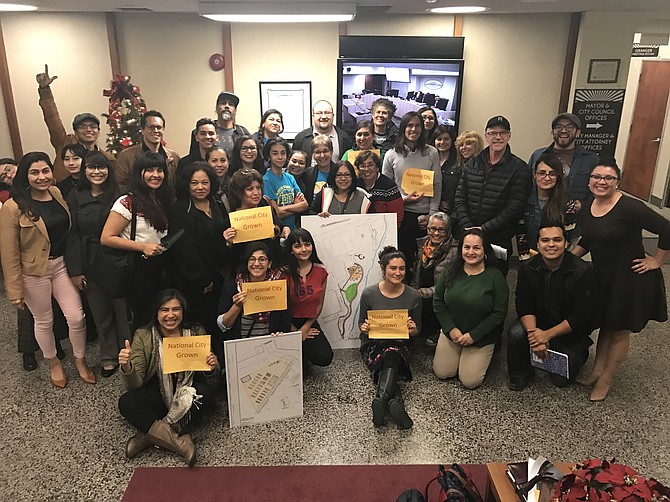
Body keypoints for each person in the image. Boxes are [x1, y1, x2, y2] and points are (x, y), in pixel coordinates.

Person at [572, 159, 670, 401]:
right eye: (597, 177)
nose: (601, 182)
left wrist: (657, 260)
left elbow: (666, 228)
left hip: (630, 279)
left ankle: (606, 379)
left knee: (619, 332)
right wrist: (567, 259)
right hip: (603, 277)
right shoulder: (588, 206)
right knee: (606, 324)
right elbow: (588, 239)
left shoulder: (629, 207)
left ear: (618, 182)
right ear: (589, 180)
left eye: (608, 178)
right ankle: (597, 369)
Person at [0, 152, 95, 387]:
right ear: (25, 175)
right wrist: (14, 289)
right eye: (35, 172)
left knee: (76, 316)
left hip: (61, 265)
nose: (41, 177)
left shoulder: (55, 193)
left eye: (45, 171)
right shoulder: (13, 207)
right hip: (33, 272)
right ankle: (53, 362)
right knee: (44, 321)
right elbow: (8, 251)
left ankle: (80, 359)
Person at [118, 289, 219, 465]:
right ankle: (179, 442)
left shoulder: (196, 331)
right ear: (156, 313)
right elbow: (134, 385)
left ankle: (149, 437)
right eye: (164, 310)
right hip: (156, 390)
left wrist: (211, 366)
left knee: (205, 397)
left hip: (188, 390)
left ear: (183, 311)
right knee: (127, 402)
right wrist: (127, 367)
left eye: (176, 309)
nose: (170, 315)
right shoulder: (144, 335)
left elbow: (211, 374)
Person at [508, 222, 597, 390]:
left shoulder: (583, 271)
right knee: (515, 333)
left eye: (557, 240)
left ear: (566, 243)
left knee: (560, 381)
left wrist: (547, 336)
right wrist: (535, 337)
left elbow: (582, 316)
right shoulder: (527, 268)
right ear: (538, 245)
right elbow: (523, 305)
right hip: (537, 324)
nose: (551, 245)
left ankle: (577, 353)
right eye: (545, 240)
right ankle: (520, 372)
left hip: (568, 329)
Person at [65, 151, 128, 377]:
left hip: (118, 258)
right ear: (85, 171)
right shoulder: (76, 195)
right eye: (92, 167)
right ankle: (109, 356)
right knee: (101, 312)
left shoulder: (119, 194)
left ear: (108, 170)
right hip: (89, 259)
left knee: (122, 310)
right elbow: (72, 235)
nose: (97, 172)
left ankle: (127, 353)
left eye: (102, 167)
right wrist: (75, 270)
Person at [101, 152, 172, 330]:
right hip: (137, 269)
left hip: (158, 267)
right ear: (139, 173)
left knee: (159, 317)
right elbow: (106, 237)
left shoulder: (159, 199)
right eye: (149, 170)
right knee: (143, 320)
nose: (156, 175)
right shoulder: (127, 202)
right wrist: (142, 247)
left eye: (160, 170)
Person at [454, 116, 531, 276]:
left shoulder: (519, 168)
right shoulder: (472, 164)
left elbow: (515, 208)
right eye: (493, 133)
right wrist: (469, 228)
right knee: (466, 280)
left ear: (509, 136)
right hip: (469, 237)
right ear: (486, 136)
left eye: (503, 133)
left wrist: (483, 230)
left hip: (498, 238)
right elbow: (460, 197)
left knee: (495, 283)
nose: (498, 137)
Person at [433, 228, 508, 389]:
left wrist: (474, 335)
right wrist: (450, 329)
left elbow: (499, 313)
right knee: (443, 373)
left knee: (470, 381)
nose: (471, 252)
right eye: (467, 247)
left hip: (480, 338)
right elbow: (438, 301)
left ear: (485, 250)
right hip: (452, 333)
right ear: (461, 249)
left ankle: (489, 351)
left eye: (476, 248)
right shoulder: (450, 270)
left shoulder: (495, 276)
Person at [168, 163, 228, 360]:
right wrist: (204, 280)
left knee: (216, 322)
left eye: (204, 182)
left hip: (217, 274)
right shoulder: (179, 210)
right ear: (187, 184)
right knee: (198, 323)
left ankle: (216, 364)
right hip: (194, 281)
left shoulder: (217, 204)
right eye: (194, 183)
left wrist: (228, 239)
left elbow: (223, 233)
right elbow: (185, 251)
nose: (200, 187)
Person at [359, 246, 421, 429]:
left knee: (393, 353)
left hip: (401, 342)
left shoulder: (413, 295)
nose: (398, 272)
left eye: (402, 268)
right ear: (384, 269)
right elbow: (361, 325)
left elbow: (418, 329)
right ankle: (394, 403)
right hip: (374, 343)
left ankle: (382, 399)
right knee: (389, 355)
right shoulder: (369, 293)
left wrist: (413, 329)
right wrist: (364, 327)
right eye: (393, 268)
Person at [382, 112, 442, 280]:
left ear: (422, 129)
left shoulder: (432, 153)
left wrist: (432, 214)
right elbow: (386, 189)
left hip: (425, 215)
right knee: (404, 259)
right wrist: (403, 199)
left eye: (417, 125)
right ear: (403, 128)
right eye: (409, 125)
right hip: (400, 214)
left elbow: (437, 184)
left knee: (427, 262)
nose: (413, 129)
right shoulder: (391, 154)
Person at [35, 64, 115, 181]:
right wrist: (45, 91)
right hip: (65, 195)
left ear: (98, 131)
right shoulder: (65, 144)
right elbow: (52, 119)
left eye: (93, 126)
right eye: (83, 126)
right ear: (76, 132)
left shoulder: (108, 159)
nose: (88, 130)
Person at [528, 113, 599, 218]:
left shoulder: (591, 159)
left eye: (569, 126)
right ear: (552, 132)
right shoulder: (538, 155)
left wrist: (584, 205)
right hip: (540, 216)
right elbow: (528, 184)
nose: (564, 130)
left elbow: (598, 188)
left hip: (577, 219)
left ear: (578, 132)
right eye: (559, 126)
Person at [281, 229, 333, 372]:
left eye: (307, 244)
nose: (304, 249)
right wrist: (294, 332)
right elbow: (278, 309)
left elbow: (319, 304)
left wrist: (305, 328)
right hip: (286, 323)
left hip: (308, 321)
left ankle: (302, 354)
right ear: (291, 250)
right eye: (297, 246)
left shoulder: (321, 271)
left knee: (324, 357)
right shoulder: (282, 273)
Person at [217, 242, 291, 340]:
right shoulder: (232, 286)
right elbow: (223, 326)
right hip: (241, 347)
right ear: (246, 262)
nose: (256, 264)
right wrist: (237, 306)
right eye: (252, 259)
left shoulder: (279, 287)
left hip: (271, 345)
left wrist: (280, 335)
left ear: (269, 263)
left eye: (262, 259)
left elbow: (285, 323)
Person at [224, 168, 290, 268]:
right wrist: (228, 244)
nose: (256, 193)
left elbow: (280, 224)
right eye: (250, 189)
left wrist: (285, 228)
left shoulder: (265, 208)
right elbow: (229, 259)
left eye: (258, 188)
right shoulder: (231, 222)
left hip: (272, 268)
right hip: (246, 273)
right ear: (239, 193)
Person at [411, 212, 458, 347]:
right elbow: (416, 272)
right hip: (421, 291)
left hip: (442, 296)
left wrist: (421, 293)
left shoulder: (456, 251)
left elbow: (450, 284)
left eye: (441, 229)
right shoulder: (421, 245)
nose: (436, 233)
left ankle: (438, 331)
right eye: (432, 228)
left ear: (448, 230)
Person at [521, 152, 577, 251]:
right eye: (541, 173)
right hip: (530, 256)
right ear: (535, 174)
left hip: (557, 257)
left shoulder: (567, 202)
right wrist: (526, 260)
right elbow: (520, 234)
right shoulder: (524, 198)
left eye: (552, 174)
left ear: (558, 176)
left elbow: (568, 238)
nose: (547, 178)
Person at [115, 110, 180, 194]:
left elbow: (176, 186)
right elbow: (121, 186)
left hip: (167, 205)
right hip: (137, 205)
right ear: (142, 130)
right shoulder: (126, 156)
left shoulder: (173, 157)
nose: (156, 131)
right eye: (151, 127)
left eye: (159, 127)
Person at [188, 91, 250, 160]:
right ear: (217, 108)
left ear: (235, 111)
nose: (227, 106)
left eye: (231, 104)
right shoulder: (201, 132)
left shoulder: (243, 132)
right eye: (223, 103)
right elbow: (193, 159)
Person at [262, 138, 307, 231]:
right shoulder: (266, 180)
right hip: (279, 231)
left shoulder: (290, 177)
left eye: (283, 153)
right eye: (275, 153)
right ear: (269, 156)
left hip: (293, 230)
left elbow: (305, 205)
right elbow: (276, 214)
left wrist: (283, 209)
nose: (280, 157)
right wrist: (295, 205)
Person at [354, 150, 403, 228]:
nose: (366, 169)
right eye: (362, 166)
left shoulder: (388, 185)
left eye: (370, 165)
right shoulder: (355, 185)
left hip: (384, 229)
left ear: (377, 168)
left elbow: (397, 216)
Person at [430, 125, 459, 229]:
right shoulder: (428, 159)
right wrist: (438, 202)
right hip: (430, 210)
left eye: (446, 139)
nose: (442, 142)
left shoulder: (458, 162)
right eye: (439, 139)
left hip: (452, 214)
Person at [301, 135, 337, 206]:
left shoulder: (339, 172)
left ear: (331, 152)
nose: (322, 155)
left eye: (325, 151)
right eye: (317, 152)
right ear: (313, 155)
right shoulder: (307, 174)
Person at [205, 145, 231, 212]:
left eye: (223, 160)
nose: (219, 165)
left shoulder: (235, 185)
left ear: (228, 163)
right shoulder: (204, 187)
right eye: (214, 161)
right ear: (207, 163)